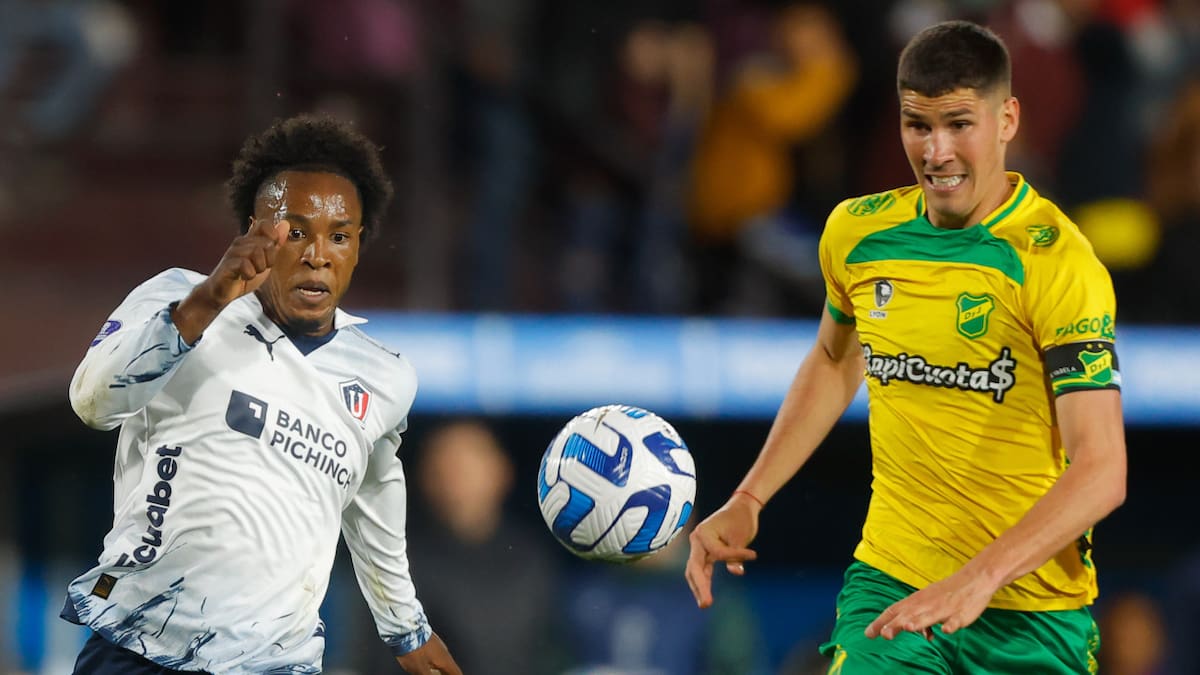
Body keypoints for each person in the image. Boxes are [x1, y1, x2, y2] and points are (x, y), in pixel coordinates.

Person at [685, 19, 1127, 674]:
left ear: (1007, 119)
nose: (936, 151)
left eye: (958, 123)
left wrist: (975, 580)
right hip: (894, 588)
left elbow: (1102, 469)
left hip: (1031, 616)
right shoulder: (857, 233)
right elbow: (836, 359)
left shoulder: (1056, 262)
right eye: (918, 125)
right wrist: (749, 497)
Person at [60, 114, 461, 675]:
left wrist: (405, 629)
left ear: (359, 245)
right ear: (255, 229)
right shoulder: (178, 296)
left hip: (277, 662)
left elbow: (371, 499)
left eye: (339, 236)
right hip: (142, 641)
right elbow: (93, 403)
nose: (318, 254)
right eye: (295, 232)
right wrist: (206, 302)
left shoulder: (384, 377)